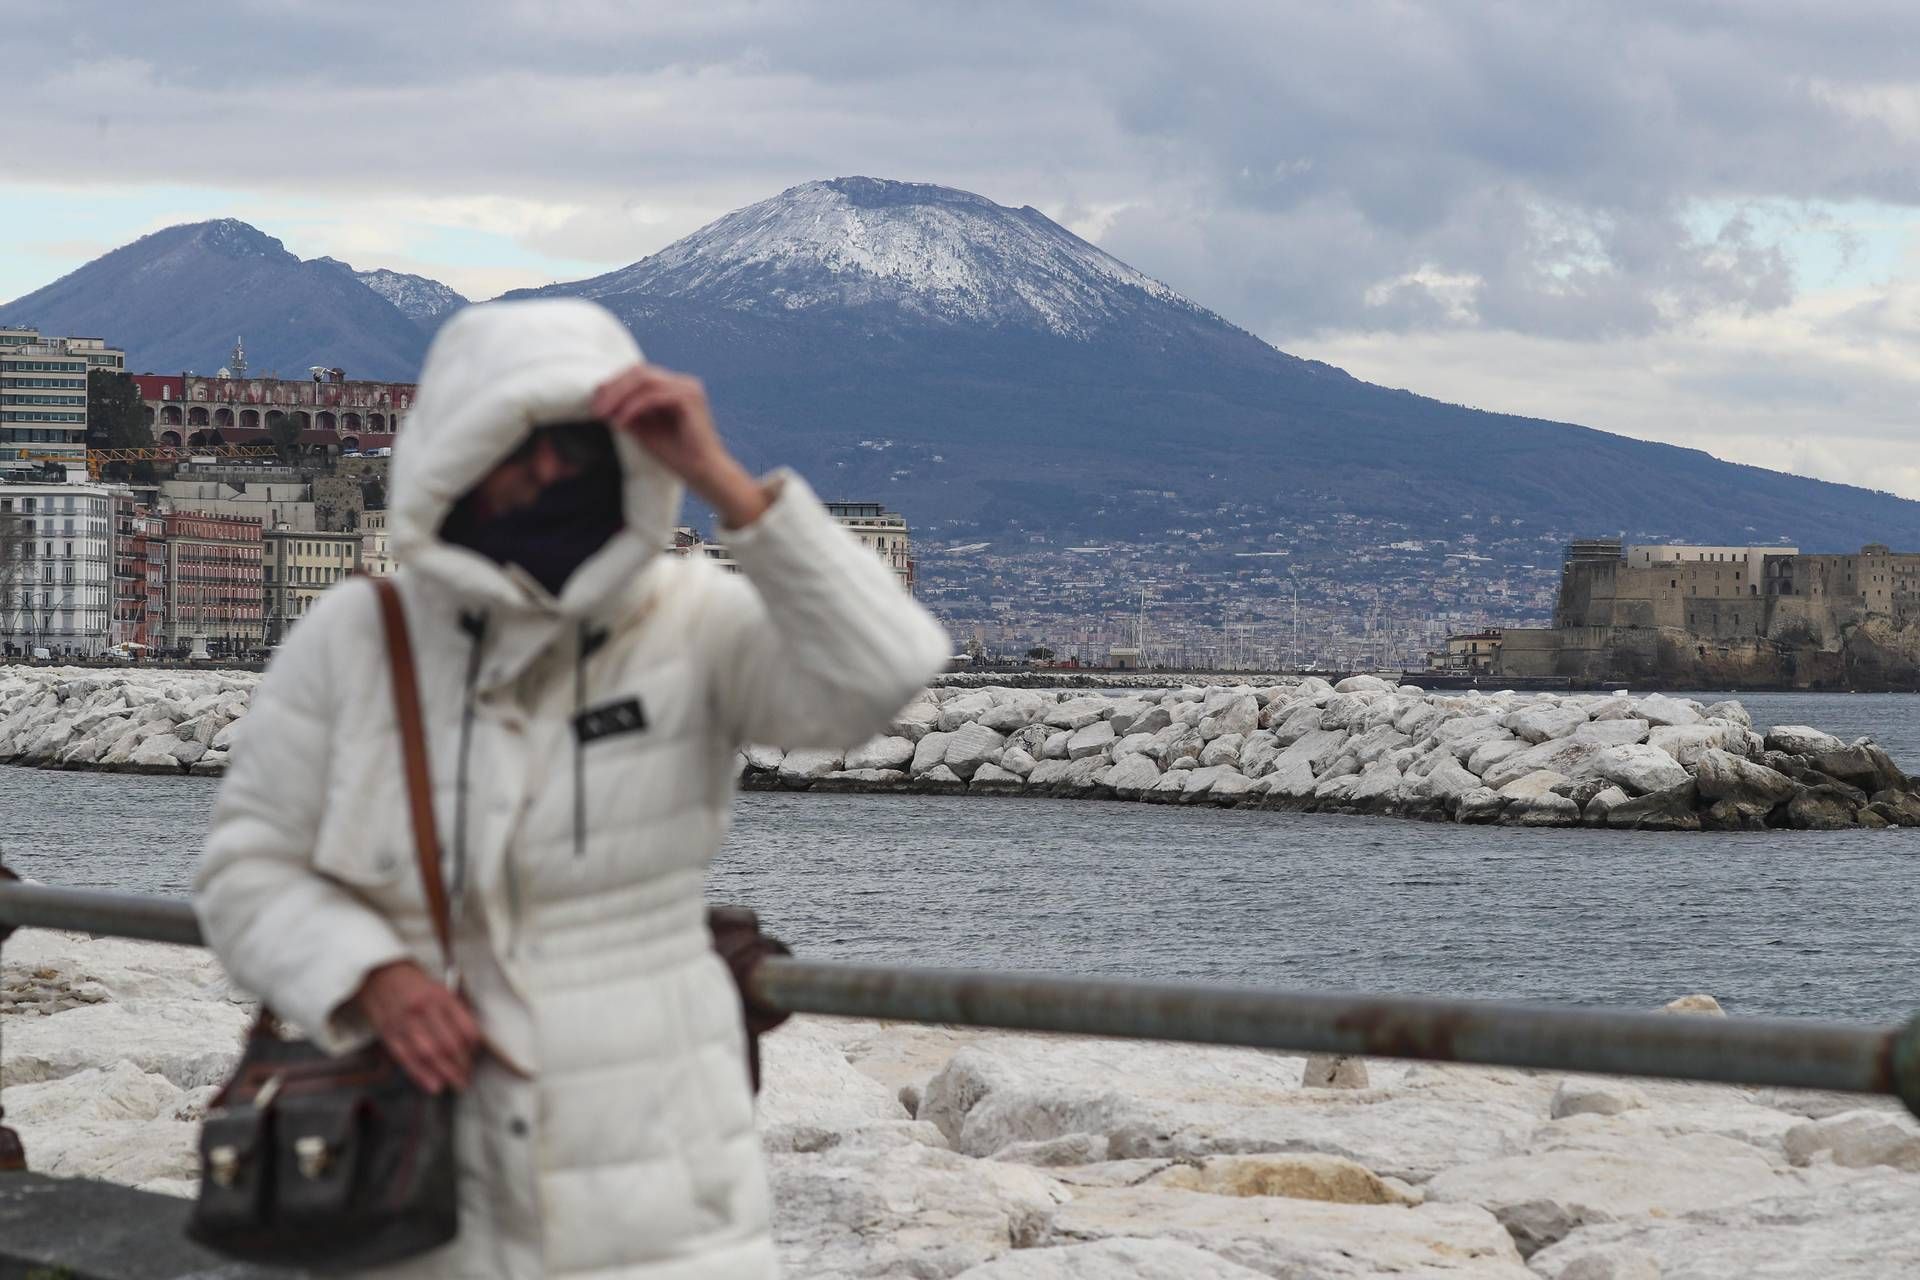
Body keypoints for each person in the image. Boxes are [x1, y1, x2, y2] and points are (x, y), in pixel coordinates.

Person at [194, 298, 949, 1278]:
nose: (552, 474)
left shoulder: (693, 619)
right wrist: (368, 973)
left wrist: (725, 482)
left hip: (662, 1210)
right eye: (524, 445)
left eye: (582, 450)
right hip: (409, 1206)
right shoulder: (356, 639)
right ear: (453, 455)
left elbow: (881, 672)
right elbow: (247, 868)